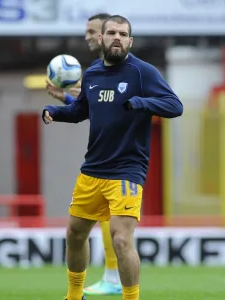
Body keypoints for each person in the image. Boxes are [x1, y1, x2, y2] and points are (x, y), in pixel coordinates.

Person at [42, 15, 183, 300]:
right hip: (93, 168)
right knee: (75, 233)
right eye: (112, 33)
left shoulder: (142, 72)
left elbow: (174, 105)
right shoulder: (92, 73)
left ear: (130, 41)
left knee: (121, 238)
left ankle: (130, 297)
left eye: (123, 33)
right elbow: (82, 111)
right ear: (102, 39)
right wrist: (55, 112)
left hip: (127, 169)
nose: (117, 37)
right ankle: (74, 295)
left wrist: (140, 103)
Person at [46, 13, 123, 297]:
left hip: (122, 159)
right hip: (104, 157)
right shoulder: (95, 71)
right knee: (91, 224)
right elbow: (91, 106)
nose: (87, 37)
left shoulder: (121, 67)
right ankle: (106, 278)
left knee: (114, 224)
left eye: (91, 31)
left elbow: (109, 100)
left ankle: (114, 277)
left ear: (104, 33)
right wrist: (66, 99)